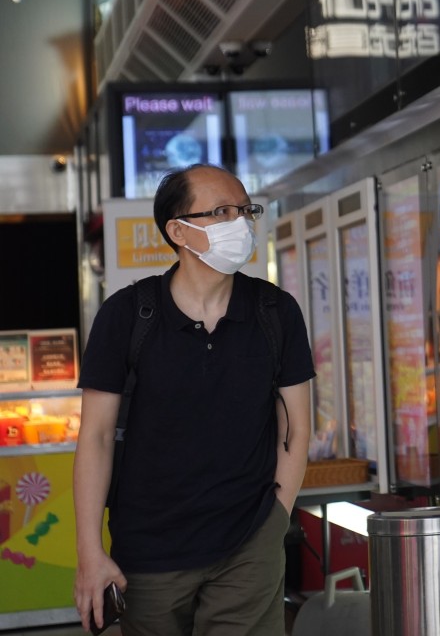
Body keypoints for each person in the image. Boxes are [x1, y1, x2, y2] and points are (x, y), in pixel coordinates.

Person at [73, 164, 314, 635]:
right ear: (178, 231)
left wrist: (274, 521)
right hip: (149, 551)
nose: (240, 223)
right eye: (221, 212)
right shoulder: (127, 316)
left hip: (248, 545)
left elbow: (297, 428)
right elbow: (96, 437)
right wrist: (89, 550)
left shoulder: (275, 312)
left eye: (245, 210)